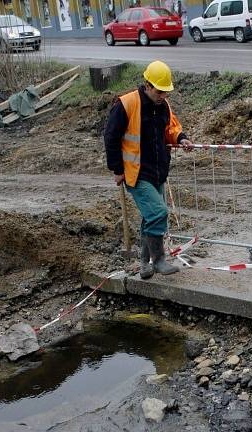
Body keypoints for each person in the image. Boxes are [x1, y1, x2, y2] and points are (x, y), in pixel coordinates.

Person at [104, 60, 193, 278]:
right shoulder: (127, 104)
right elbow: (111, 137)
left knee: (150, 217)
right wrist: (117, 169)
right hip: (136, 173)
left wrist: (181, 138)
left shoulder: (163, 106)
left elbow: (171, 127)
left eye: (166, 92)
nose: (163, 96)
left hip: (158, 171)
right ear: (147, 85)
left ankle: (144, 263)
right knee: (159, 213)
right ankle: (159, 260)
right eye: (160, 91)